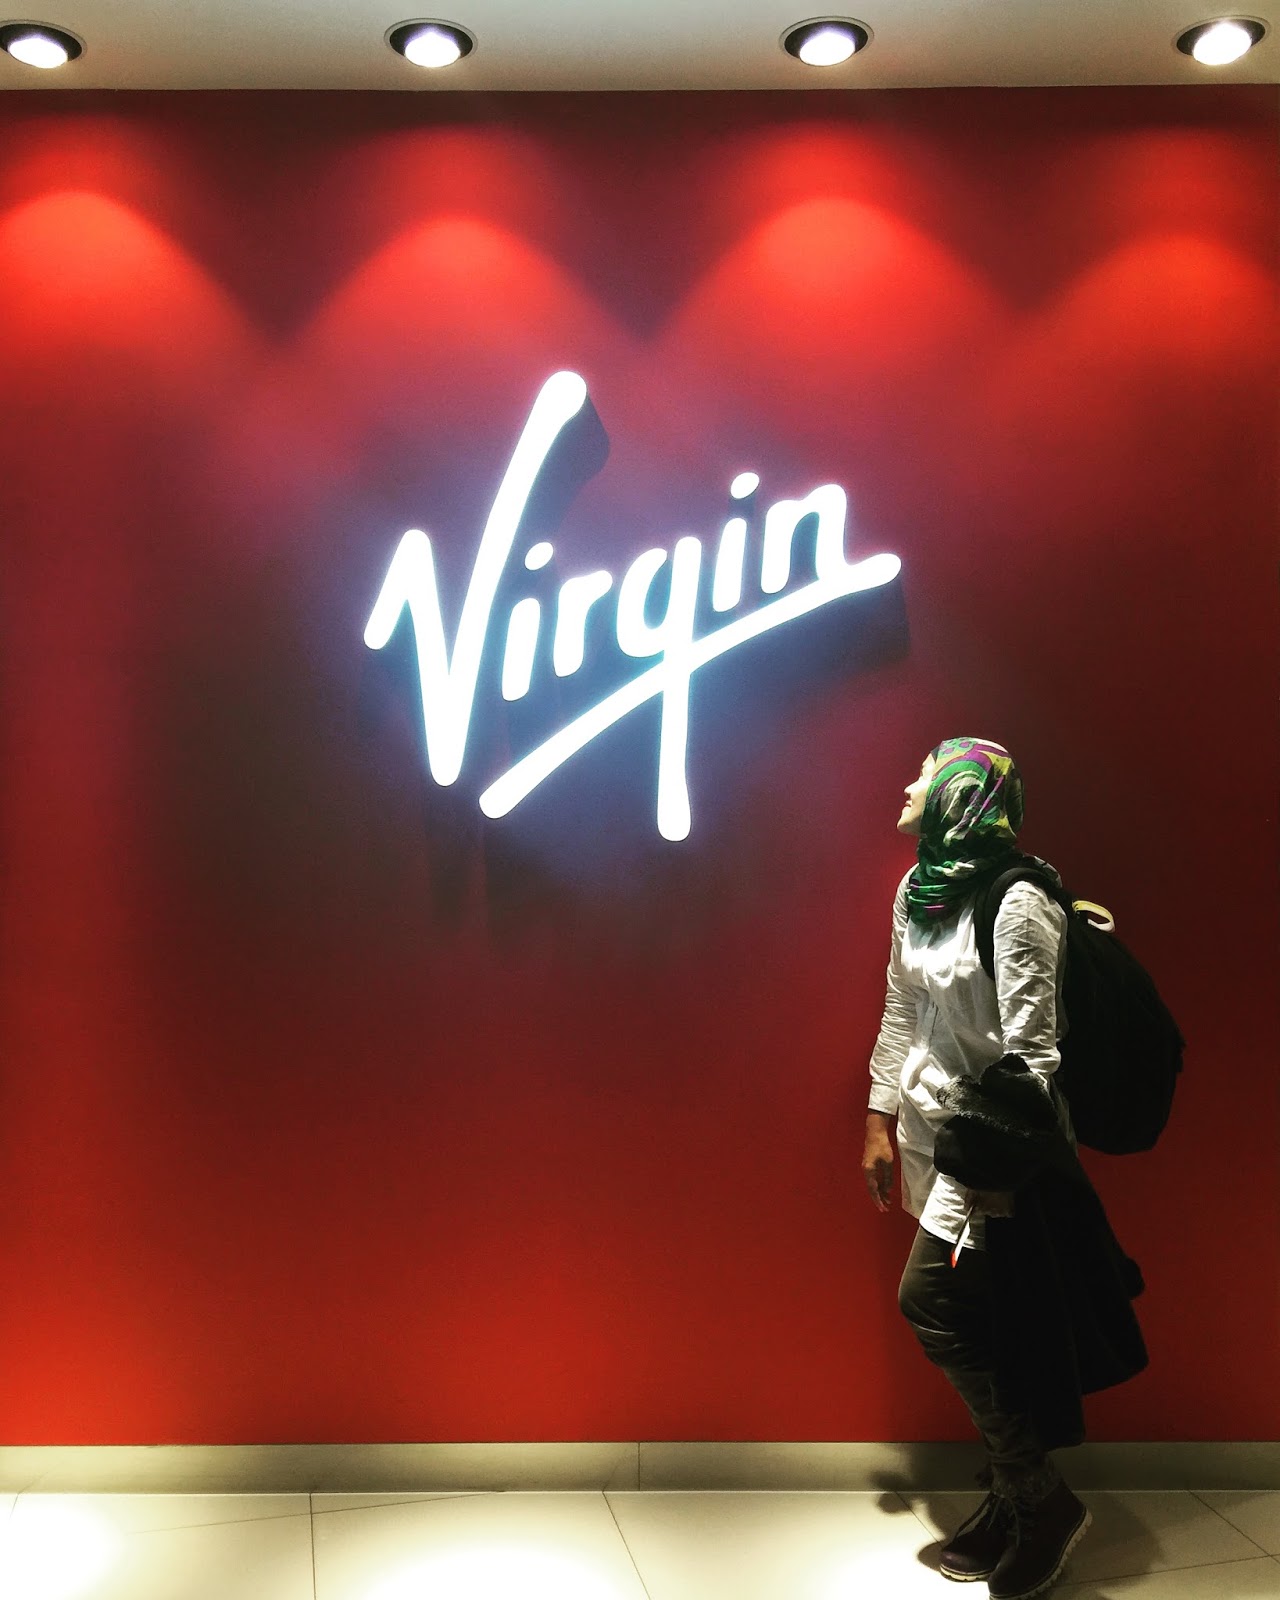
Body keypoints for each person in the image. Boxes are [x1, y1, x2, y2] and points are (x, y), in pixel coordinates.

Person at [863, 737, 1144, 1600]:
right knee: (990, 1318)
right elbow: (902, 1004)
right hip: (932, 1134)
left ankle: (1039, 1497)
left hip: (995, 1148)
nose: (908, 783)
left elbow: (1035, 1057)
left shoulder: (1019, 902)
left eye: (925, 773)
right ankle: (1011, 1494)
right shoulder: (920, 887)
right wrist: (878, 1116)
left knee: (932, 1301)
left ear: (962, 794)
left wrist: (985, 1169)